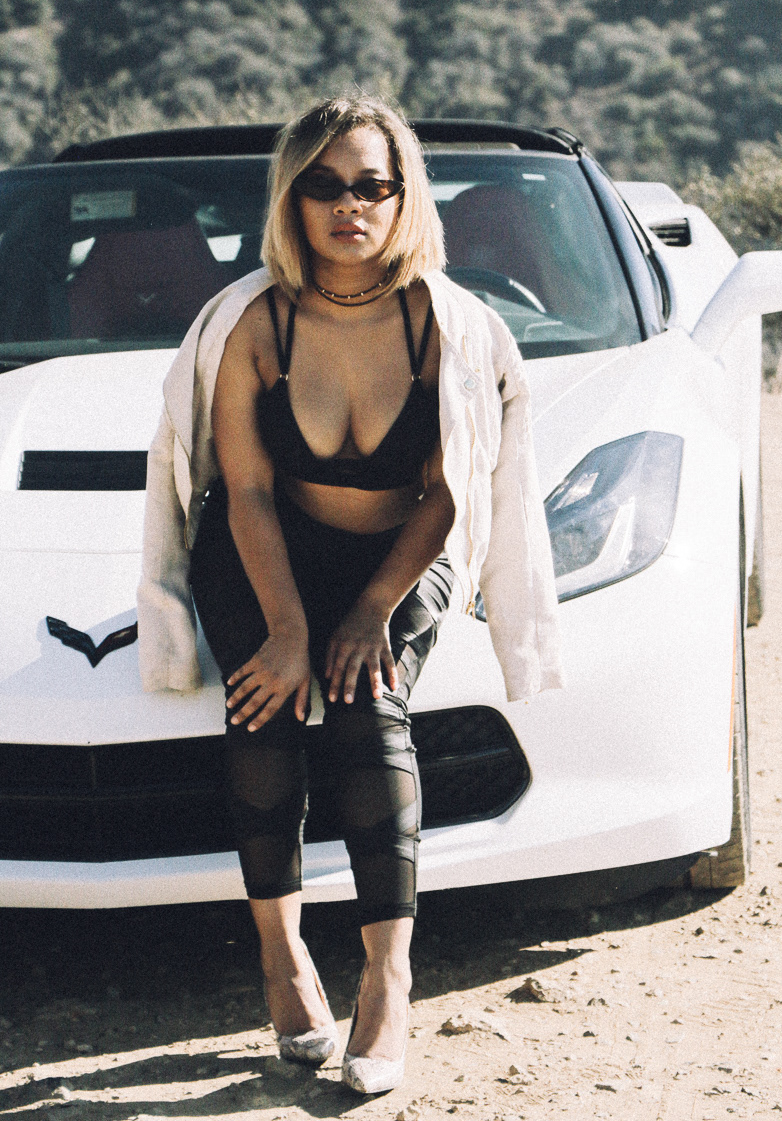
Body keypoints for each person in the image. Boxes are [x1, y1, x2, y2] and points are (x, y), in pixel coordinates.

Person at [137, 95, 564, 1094]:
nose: (348, 206)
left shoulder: (447, 327)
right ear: (290, 198)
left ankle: (386, 979)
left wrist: (371, 610)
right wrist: (287, 628)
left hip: (404, 551)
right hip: (263, 547)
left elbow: (452, 490)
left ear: (403, 196)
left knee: (369, 710)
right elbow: (243, 490)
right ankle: (282, 955)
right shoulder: (252, 321)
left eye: (371, 184)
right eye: (322, 185)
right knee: (266, 707)